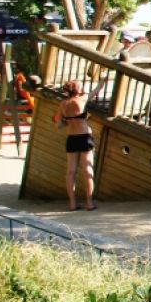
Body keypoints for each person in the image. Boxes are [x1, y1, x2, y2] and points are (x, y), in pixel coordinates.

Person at [54, 80, 96, 210]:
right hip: (84, 136)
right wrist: (103, 80)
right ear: (77, 89)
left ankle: (72, 203)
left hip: (71, 137)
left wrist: (70, 121)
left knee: (70, 172)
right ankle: (89, 203)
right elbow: (96, 90)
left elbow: (59, 124)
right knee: (87, 170)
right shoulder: (82, 99)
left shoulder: (63, 104)